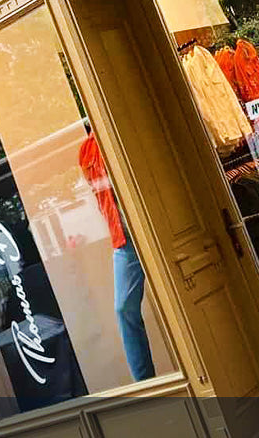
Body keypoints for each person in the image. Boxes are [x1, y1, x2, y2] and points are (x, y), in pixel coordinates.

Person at [77, 126, 155, 381]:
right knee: (123, 308)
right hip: (124, 238)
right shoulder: (87, 150)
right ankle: (146, 383)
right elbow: (99, 195)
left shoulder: (121, 129)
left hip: (151, 223)